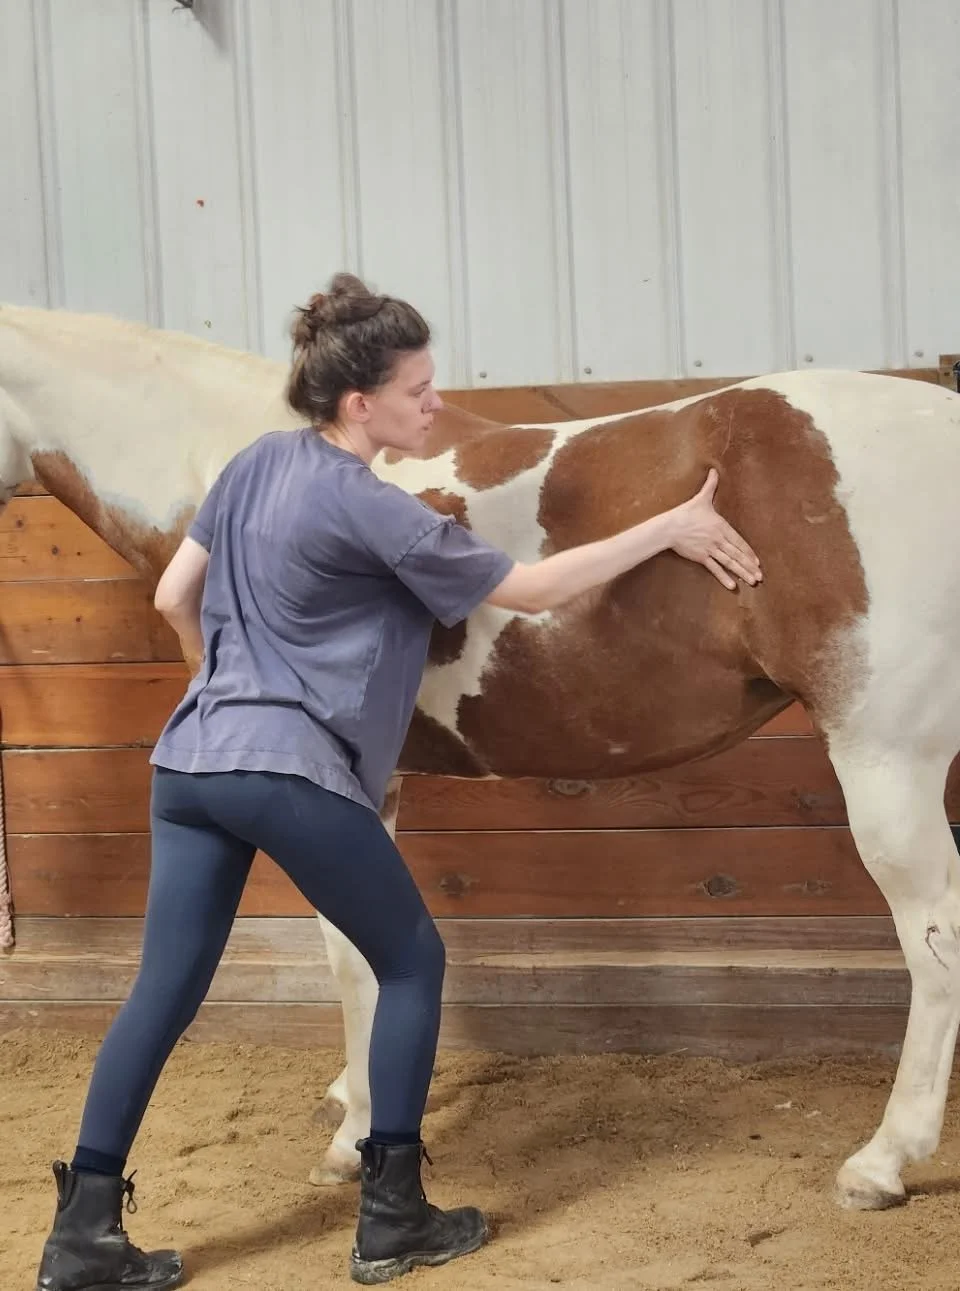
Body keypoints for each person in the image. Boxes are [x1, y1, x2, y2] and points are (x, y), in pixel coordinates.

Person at [34, 273, 762, 1290]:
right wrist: (667, 528)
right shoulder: (378, 512)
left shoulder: (250, 465)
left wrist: (224, 686)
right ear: (358, 403)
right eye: (418, 390)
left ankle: (81, 1237)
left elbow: (171, 594)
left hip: (191, 760)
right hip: (288, 770)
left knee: (163, 991)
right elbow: (537, 588)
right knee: (412, 961)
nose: (435, 405)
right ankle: (393, 1219)